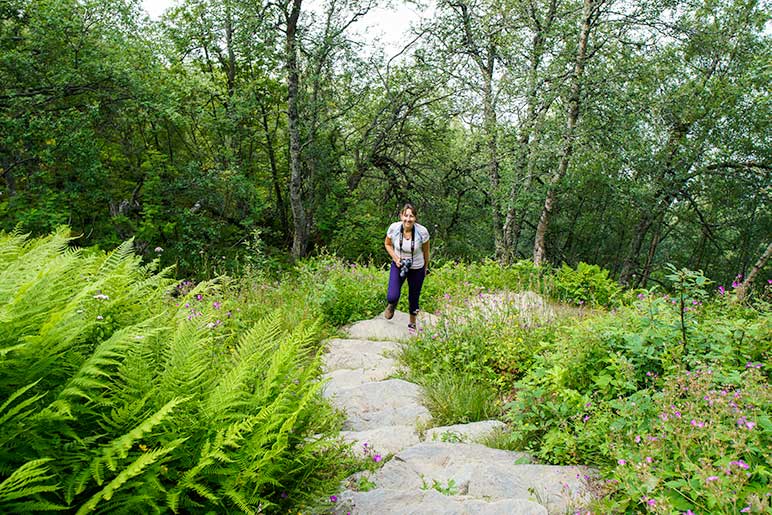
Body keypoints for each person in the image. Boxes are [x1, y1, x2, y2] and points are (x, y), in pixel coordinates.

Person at [383, 203, 430, 333]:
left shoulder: (422, 232)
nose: (408, 219)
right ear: (401, 216)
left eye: (411, 216)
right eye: (406, 216)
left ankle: (412, 324)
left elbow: (426, 252)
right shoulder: (394, 228)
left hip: (417, 267)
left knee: (414, 297)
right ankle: (392, 305)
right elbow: (387, 244)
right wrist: (395, 258)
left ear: (415, 218)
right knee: (392, 296)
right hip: (399, 264)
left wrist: (425, 268)